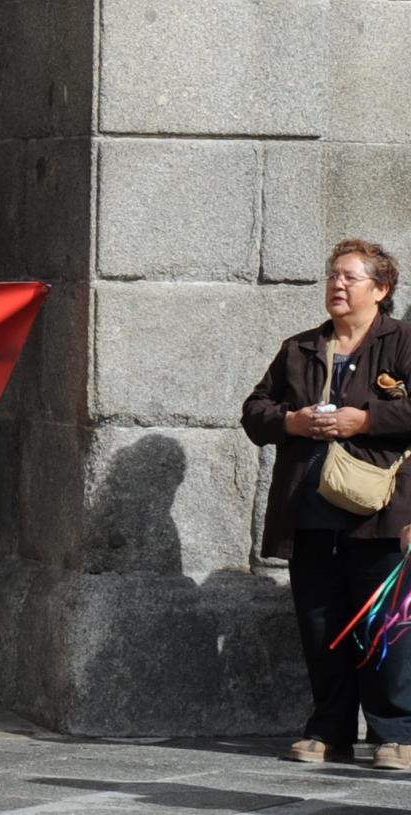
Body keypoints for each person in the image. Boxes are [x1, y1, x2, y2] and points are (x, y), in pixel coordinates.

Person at [242, 238, 411, 770]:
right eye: (333, 276)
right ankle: (329, 729)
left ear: (380, 289)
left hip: (384, 511)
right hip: (310, 511)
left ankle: (395, 733)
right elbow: (254, 411)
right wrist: (290, 421)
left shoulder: (403, 342)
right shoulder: (300, 347)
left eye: (349, 277)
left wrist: (368, 420)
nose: (337, 285)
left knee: (384, 626)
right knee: (321, 625)